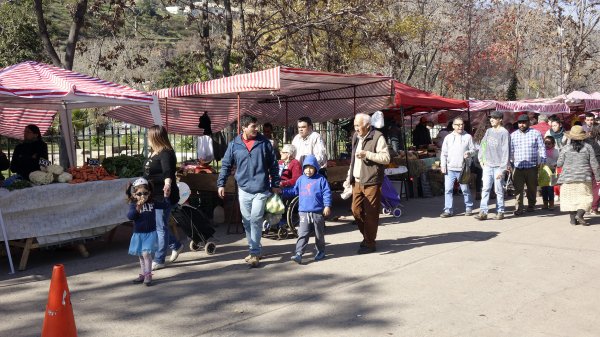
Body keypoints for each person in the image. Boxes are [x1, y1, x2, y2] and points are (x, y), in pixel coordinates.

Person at [217, 115, 281, 267]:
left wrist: (276, 183)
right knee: (246, 222)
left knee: (255, 219)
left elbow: (273, 165)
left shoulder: (264, 143)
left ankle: (254, 252)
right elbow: (226, 165)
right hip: (244, 189)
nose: (257, 129)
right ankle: (255, 247)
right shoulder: (234, 144)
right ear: (244, 128)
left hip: (262, 189)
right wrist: (221, 184)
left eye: (256, 126)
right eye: (253, 126)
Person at [345, 113, 390, 254]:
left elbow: (386, 158)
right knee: (355, 210)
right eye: (355, 126)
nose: (356, 128)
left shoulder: (377, 137)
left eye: (358, 126)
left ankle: (370, 243)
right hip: (357, 181)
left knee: (371, 213)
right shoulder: (355, 137)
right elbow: (353, 160)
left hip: (371, 180)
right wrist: (348, 177)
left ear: (368, 125)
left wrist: (367, 154)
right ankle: (367, 236)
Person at [144, 125, 182, 271]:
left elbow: (168, 172)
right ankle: (176, 246)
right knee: (159, 226)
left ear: (155, 137)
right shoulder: (154, 152)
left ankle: (159, 259)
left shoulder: (166, 153)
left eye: (149, 135)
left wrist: (167, 185)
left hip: (164, 196)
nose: (147, 137)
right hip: (153, 195)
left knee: (160, 227)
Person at [283, 155, 332, 264]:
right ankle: (299, 253)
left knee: (319, 233)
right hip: (303, 212)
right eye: (306, 167)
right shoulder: (301, 179)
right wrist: (282, 192)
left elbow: (327, 193)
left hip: (317, 212)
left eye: (311, 167)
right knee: (303, 233)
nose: (308, 170)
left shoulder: (321, 179)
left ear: (315, 168)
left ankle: (321, 251)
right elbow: (294, 191)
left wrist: (327, 206)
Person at [126, 178, 167, 286]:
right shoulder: (134, 204)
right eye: (139, 194)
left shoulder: (153, 203)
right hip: (138, 234)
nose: (142, 196)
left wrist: (166, 196)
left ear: (149, 193)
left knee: (146, 254)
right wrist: (138, 207)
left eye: (145, 193)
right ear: (134, 194)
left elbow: (165, 206)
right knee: (140, 255)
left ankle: (148, 275)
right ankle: (144, 274)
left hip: (150, 233)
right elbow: (131, 216)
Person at [556, 125, 600, 226]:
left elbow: (559, 163)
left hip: (567, 178)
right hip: (584, 178)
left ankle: (573, 220)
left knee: (571, 199)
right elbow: (594, 164)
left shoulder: (565, 148)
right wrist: (598, 177)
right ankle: (579, 215)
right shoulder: (588, 147)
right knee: (586, 198)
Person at [474, 111, 510, 220]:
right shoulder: (488, 131)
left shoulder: (504, 133)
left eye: (494, 118)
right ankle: (483, 212)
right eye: (491, 118)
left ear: (500, 120)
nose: (491, 119)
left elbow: (506, 151)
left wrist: (503, 169)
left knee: (498, 190)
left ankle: (500, 212)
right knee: (485, 188)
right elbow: (483, 145)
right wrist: (481, 159)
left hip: (499, 166)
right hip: (488, 165)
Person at [440, 117, 476, 218]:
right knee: (448, 190)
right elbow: (444, 153)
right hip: (450, 168)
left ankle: (469, 207)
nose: (460, 126)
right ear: (453, 126)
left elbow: (474, 150)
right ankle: (448, 210)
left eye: (462, 124)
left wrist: (469, 152)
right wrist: (443, 165)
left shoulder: (468, 137)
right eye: (458, 125)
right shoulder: (448, 137)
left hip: (463, 168)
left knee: (464, 189)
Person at [510, 114, 546, 215]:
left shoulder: (536, 133)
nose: (522, 124)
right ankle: (519, 208)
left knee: (532, 187)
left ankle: (531, 205)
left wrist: (542, 161)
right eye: (520, 123)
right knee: (518, 188)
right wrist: (509, 163)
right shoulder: (513, 135)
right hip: (518, 166)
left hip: (532, 166)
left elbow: (541, 148)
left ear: (528, 123)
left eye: (524, 122)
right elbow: (510, 151)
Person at [542, 136, 559, 210]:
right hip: (543, 172)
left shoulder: (556, 151)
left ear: (553, 144)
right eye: (545, 143)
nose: (547, 145)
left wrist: (554, 163)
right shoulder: (542, 151)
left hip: (553, 171)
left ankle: (551, 204)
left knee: (550, 188)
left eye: (549, 143)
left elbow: (558, 161)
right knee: (544, 188)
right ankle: (545, 204)